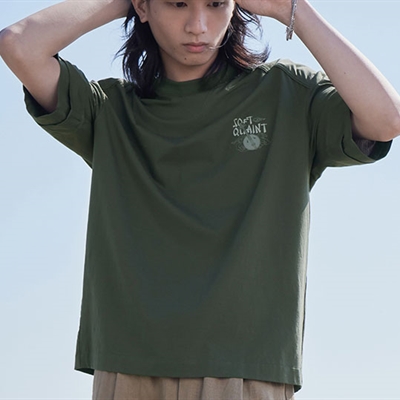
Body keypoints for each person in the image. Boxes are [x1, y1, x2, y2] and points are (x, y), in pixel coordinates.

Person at [0, 0, 399, 399]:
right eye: (178, 3)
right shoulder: (108, 110)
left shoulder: (287, 94)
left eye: (215, 3)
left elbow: (386, 119)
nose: (198, 25)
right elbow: (18, 45)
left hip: (245, 369)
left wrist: (293, 9)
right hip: (128, 366)